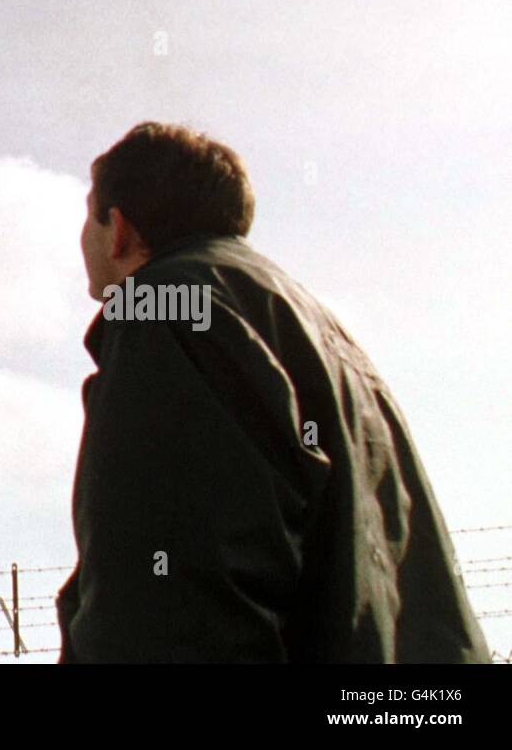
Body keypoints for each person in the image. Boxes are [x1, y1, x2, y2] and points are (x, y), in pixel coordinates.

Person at [57, 122, 489, 663]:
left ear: (118, 228)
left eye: (87, 213)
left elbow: (173, 604)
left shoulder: (166, 310)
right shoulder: (323, 334)